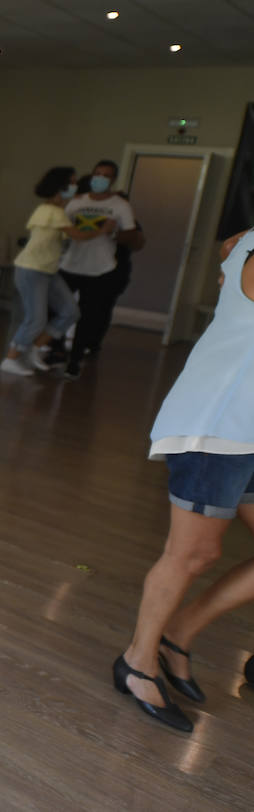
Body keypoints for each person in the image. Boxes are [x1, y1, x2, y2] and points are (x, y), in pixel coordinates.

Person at [114, 227, 254, 733]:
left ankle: (180, 632)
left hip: (249, 429)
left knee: (200, 553)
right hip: (216, 426)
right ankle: (137, 661)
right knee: (193, 554)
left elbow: (228, 245)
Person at [0, 166, 104, 376]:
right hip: (31, 269)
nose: (75, 186)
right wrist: (103, 229)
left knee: (70, 311)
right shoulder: (51, 211)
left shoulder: (55, 212)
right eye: (72, 182)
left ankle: (35, 348)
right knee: (36, 318)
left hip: (48, 270)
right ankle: (11, 359)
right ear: (61, 186)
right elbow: (78, 236)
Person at [58, 159, 144, 379]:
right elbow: (61, 228)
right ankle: (55, 350)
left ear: (112, 180)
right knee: (59, 309)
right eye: (97, 174)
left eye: (105, 175)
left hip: (100, 268)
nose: (100, 179)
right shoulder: (77, 202)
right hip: (70, 264)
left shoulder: (120, 206)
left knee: (88, 316)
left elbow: (134, 238)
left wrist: (113, 232)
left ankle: (75, 360)